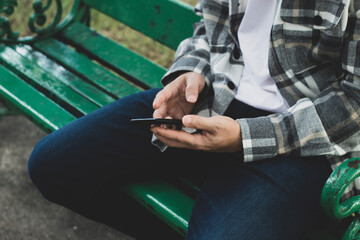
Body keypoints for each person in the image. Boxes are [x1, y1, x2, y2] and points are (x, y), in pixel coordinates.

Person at [28, 0, 360, 239]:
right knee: (53, 165)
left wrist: (244, 137)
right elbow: (210, 25)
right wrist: (191, 70)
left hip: (300, 140)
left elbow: (354, 104)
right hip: (214, 99)